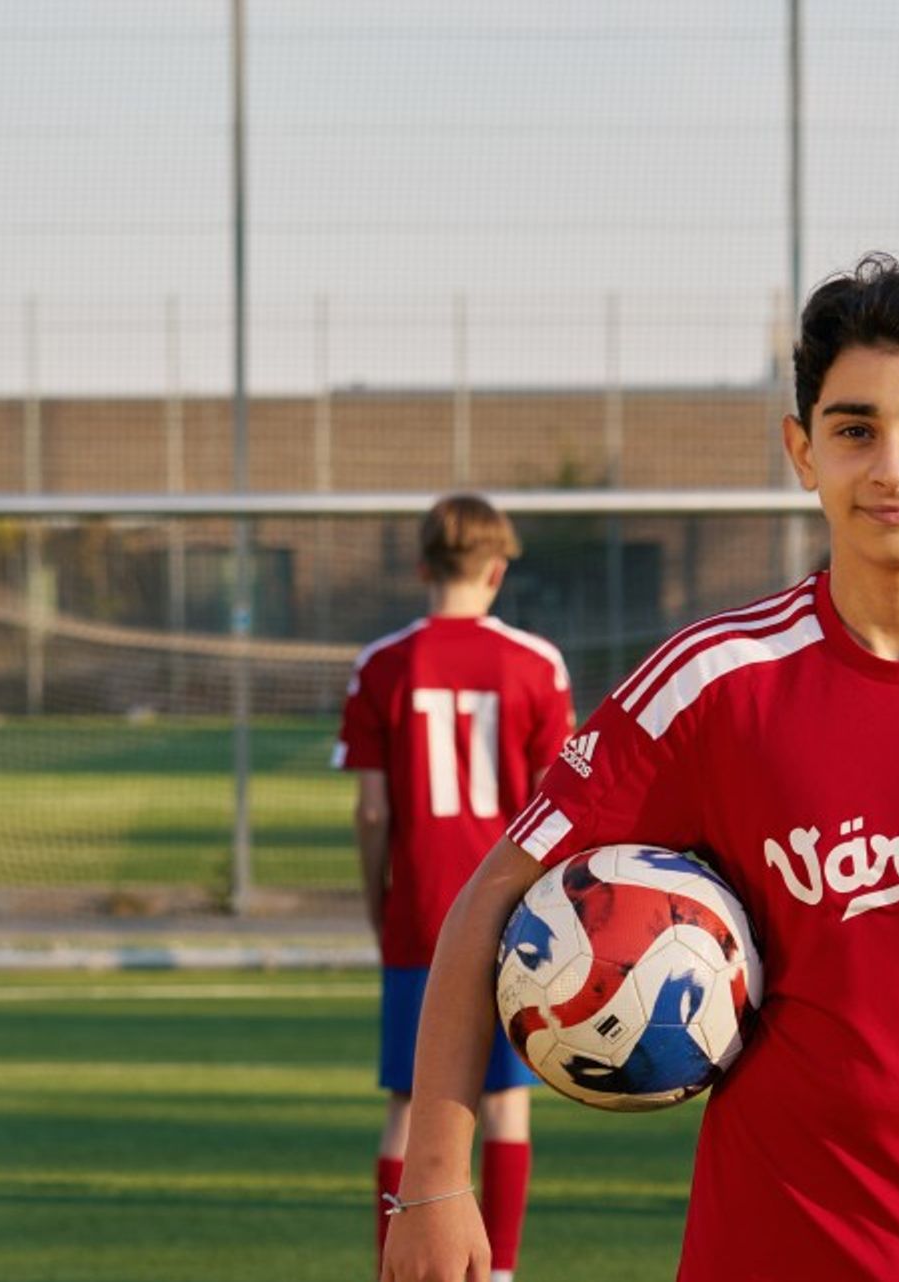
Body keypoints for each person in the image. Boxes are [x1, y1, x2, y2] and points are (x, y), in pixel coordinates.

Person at [383, 254, 899, 1282]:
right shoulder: (714, 684)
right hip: (770, 1250)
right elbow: (488, 901)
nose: (893, 466)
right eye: (854, 429)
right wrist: (434, 1179)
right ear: (801, 450)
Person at [337, 496, 574, 1279]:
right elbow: (558, 811)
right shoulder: (537, 664)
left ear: (420, 567)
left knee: (410, 1106)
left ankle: (398, 1268)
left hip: (422, 911)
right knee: (504, 1103)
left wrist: (381, 904)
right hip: (511, 920)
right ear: (498, 571)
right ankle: (497, 1272)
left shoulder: (383, 664)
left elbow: (372, 810)